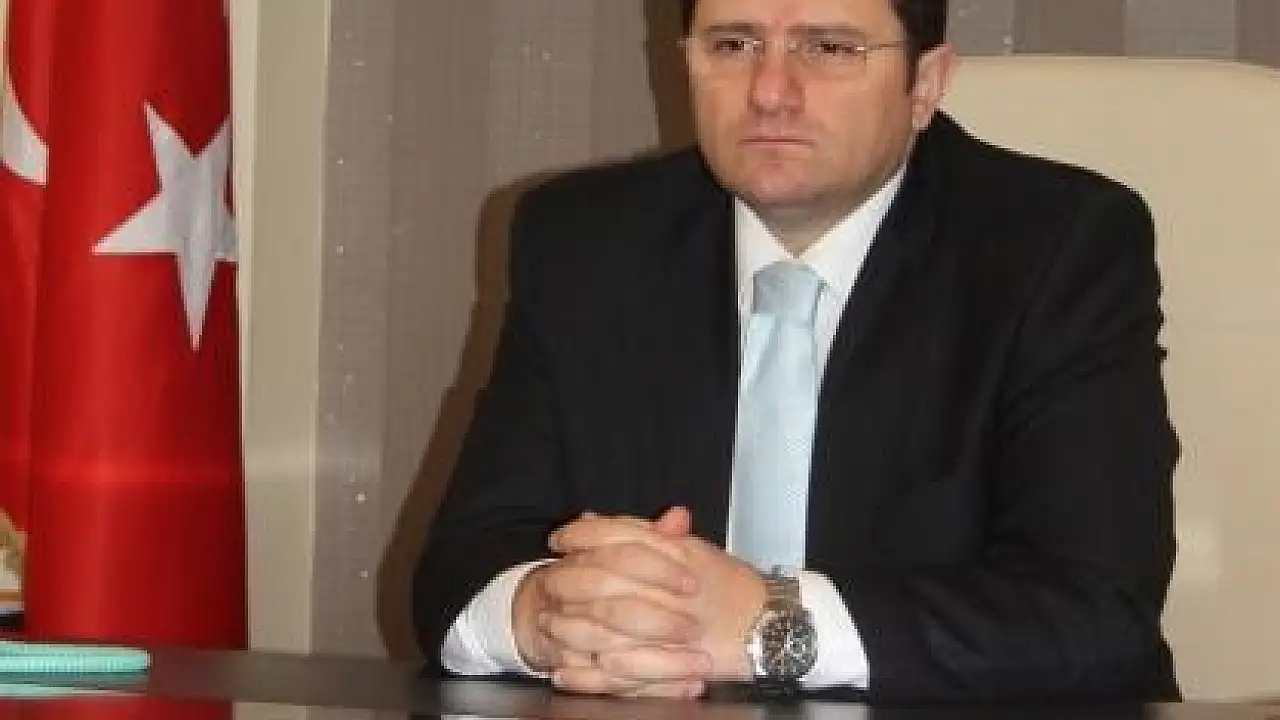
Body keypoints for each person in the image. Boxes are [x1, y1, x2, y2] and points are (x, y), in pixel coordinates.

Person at [412, 0, 1180, 705]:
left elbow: (1095, 611)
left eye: (830, 48)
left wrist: (767, 622)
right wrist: (545, 613)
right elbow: (460, 570)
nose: (771, 92)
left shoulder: (1059, 246)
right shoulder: (585, 239)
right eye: (733, 45)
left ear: (925, 84)